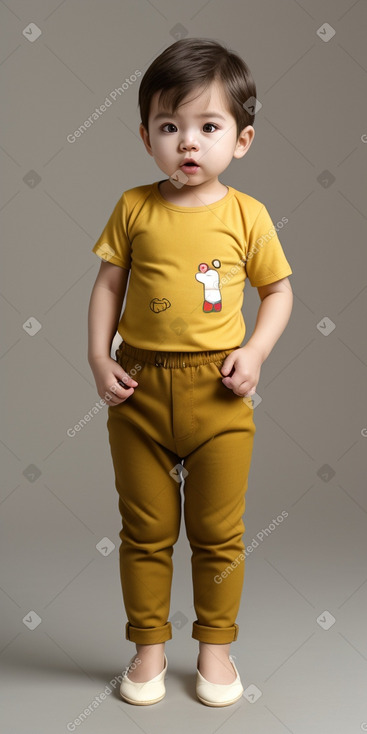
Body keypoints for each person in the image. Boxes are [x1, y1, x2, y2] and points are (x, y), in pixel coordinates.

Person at [88, 37, 293, 707]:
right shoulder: (133, 207)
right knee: (143, 530)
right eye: (169, 126)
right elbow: (107, 288)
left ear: (241, 140)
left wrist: (255, 350)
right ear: (146, 135)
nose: (187, 142)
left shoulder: (247, 215)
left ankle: (214, 650)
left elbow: (279, 292)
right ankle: (147, 650)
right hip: (138, 391)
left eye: (207, 127)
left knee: (217, 532)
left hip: (219, 396)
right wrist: (98, 357)